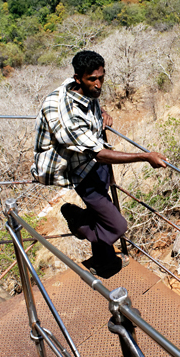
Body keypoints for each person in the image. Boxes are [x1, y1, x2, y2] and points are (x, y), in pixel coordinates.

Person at [32, 51, 168, 275]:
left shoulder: (78, 88)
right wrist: (145, 156)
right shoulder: (65, 115)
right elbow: (99, 153)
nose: (98, 84)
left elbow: (88, 106)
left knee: (102, 217)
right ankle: (76, 219)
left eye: (101, 78)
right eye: (92, 79)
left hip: (95, 165)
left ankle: (102, 260)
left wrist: (101, 110)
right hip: (81, 171)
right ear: (78, 78)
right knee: (117, 226)